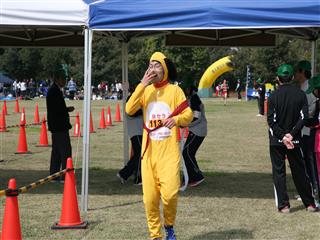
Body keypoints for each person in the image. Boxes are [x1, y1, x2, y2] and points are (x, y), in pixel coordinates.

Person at [126, 52, 193, 240]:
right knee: (149, 200)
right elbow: (129, 109)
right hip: (148, 154)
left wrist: (177, 119)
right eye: (150, 65)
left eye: (156, 65)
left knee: (170, 194)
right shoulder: (145, 90)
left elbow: (188, 115)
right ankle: (155, 235)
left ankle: (169, 225)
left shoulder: (175, 91)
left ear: (164, 68)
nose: (152, 68)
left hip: (169, 153)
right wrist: (142, 84)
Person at [267, 63, 316, 213]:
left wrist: (283, 136)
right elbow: (303, 118)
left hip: (277, 140)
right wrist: (291, 135)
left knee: (279, 172)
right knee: (299, 171)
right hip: (295, 139)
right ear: (292, 78)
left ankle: (284, 205)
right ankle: (309, 204)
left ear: (278, 78)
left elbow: (271, 120)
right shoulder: (300, 94)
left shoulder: (273, 96)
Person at [295, 60, 319, 204]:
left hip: (308, 131)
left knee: (309, 163)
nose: (295, 74)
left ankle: (311, 191)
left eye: (297, 71)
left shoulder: (309, 87)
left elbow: (311, 111)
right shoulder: (303, 87)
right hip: (304, 130)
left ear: (302, 72)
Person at [46, 64, 74, 181]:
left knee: (57, 151)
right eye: (63, 79)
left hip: (56, 126)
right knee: (65, 150)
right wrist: (67, 109)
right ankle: (64, 174)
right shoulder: (54, 91)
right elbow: (57, 109)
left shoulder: (55, 90)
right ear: (58, 79)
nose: (65, 81)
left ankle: (54, 173)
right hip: (59, 126)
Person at [181, 82, 207, 187]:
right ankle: (189, 177)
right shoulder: (190, 98)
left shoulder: (195, 99)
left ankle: (197, 177)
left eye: (187, 88)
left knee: (186, 153)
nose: (185, 90)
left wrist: (185, 124)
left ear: (191, 89)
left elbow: (197, 117)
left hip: (198, 131)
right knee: (188, 153)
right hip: (195, 130)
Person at [117, 81, 143, 185]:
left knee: (138, 154)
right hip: (136, 131)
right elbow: (132, 113)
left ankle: (124, 173)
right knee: (140, 154)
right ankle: (137, 178)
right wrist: (144, 109)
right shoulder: (131, 99)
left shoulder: (137, 99)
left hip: (139, 130)